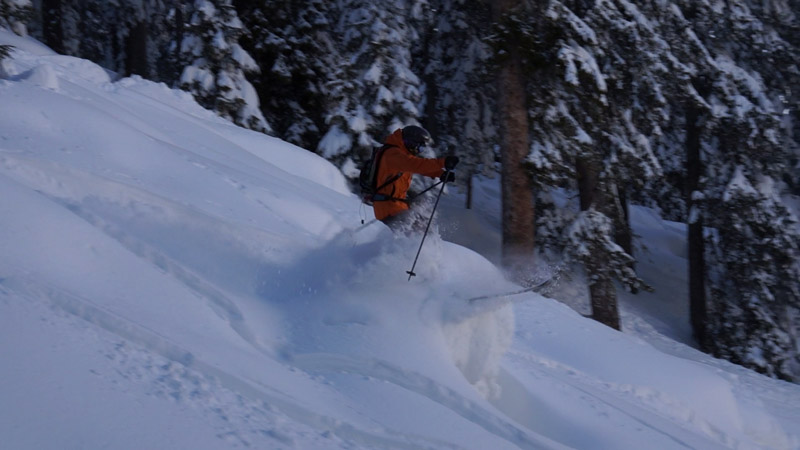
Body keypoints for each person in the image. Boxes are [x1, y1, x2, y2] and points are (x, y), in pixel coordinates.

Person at [372, 125, 459, 230]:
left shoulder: (400, 154)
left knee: (422, 221)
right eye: (419, 147)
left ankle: (423, 244)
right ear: (410, 143)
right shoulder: (393, 154)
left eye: (422, 149)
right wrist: (442, 162)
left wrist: (440, 174)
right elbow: (416, 164)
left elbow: (416, 166)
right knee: (417, 229)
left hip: (395, 205)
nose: (418, 151)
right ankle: (411, 245)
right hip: (388, 207)